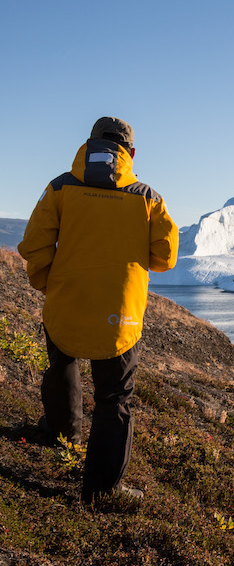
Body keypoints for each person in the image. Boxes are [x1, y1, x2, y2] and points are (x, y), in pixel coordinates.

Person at [18, 116, 179, 502]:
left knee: (61, 366)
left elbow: (34, 245)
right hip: (119, 314)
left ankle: (62, 435)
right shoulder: (148, 197)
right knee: (114, 398)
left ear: (89, 144)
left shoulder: (60, 187)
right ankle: (103, 490)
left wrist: (48, 284)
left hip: (66, 300)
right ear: (131, 152)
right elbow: (166, 256)